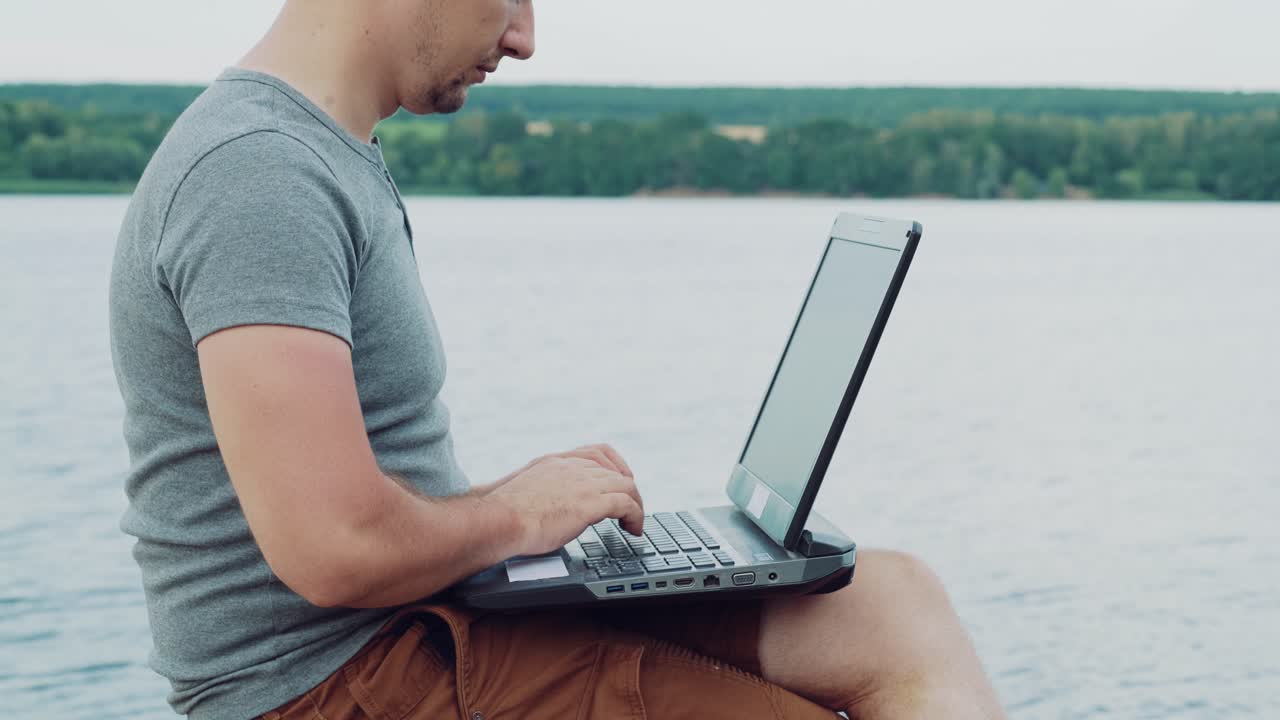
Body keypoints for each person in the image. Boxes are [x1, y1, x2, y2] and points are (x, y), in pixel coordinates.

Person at [108, 1, 1007, 718]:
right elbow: (335, 550)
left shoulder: (320, 150)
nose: (525, 36)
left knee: (892, 605)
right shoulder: (257, 172)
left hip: (423, 622)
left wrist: (528, 518)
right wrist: (516, 515)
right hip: (334, 683)